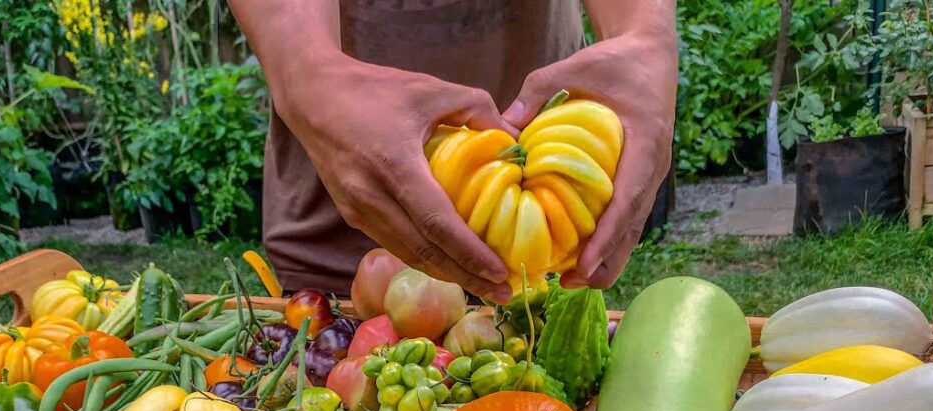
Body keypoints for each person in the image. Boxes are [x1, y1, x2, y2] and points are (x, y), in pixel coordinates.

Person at [229, 1, 677, 301]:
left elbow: (643, 30)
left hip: (552, 255)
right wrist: (307, 72)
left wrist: (645, 36)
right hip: (339, 257)